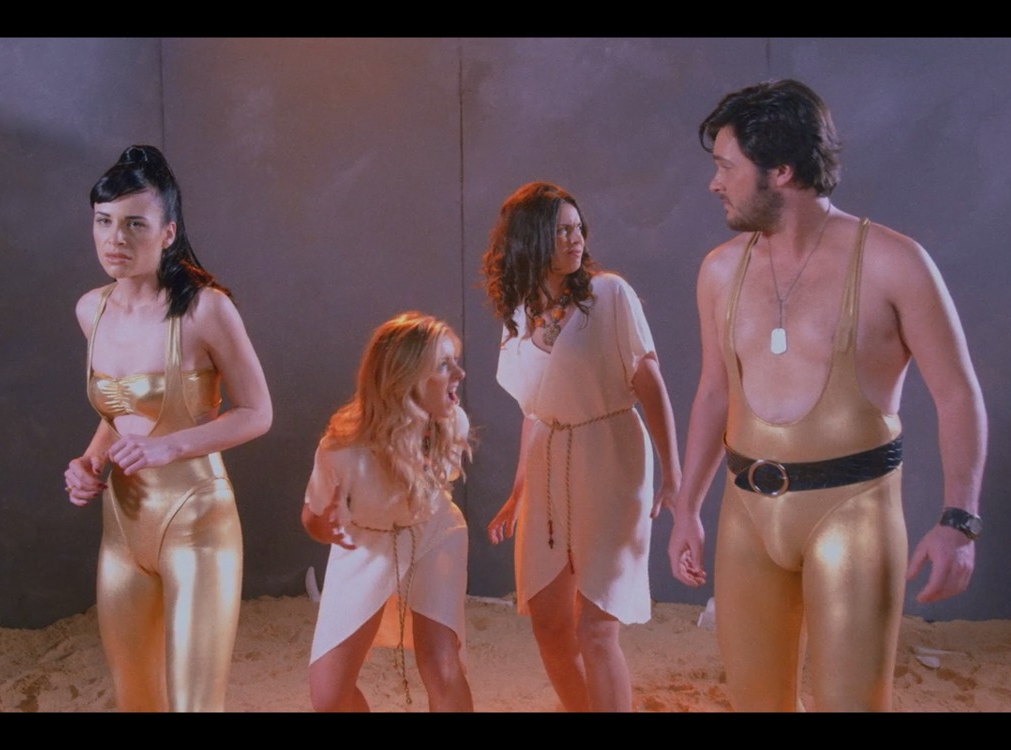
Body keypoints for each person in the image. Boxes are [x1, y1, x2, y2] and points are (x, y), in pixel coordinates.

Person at [667, 80, 987, 711]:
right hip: (746, 513)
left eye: (726, 167)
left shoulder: (895, 264)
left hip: (854, 512)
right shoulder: (720, 270)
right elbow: (713, 392)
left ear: (781, 170)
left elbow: (957, 394)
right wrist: (686, 510)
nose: (714, 183)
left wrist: (959, 523)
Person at [62, 145, 273, 712]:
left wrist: (168, 447)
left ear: (168, 232)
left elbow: (258, 411)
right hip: (123, 528)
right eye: (104, 221)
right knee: (135, 700)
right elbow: (118, 412)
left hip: (197, 524)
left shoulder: (206, 310)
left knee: (194, 705)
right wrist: (89, 463)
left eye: (135, 223)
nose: (115, 238)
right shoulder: (91, 310)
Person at [483, 182, 681, 712]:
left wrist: (673, 473)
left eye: (577, 228)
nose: (575, 239)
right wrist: (518, 493)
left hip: (611, 456)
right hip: (548, 466)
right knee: (549, 624)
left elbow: (649, 382)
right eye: (561, 231)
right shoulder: (519, 316)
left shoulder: (609, 295)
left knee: (595, 628)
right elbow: (534, 412)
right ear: (530, 239)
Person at [302, 312, 474, 712]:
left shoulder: (453, 424)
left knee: (440, 665)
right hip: (365, 544)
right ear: (405, 378)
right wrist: (326, 528)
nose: (460, 374)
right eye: (444, 365)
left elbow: (439, 487)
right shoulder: (342, 448)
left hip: (434, 533)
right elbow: (310, 518)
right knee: (328, 696)